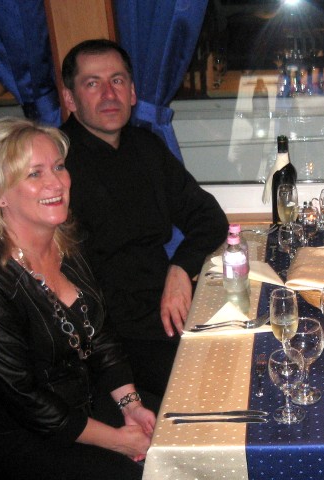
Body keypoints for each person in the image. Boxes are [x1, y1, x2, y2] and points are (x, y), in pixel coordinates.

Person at [0, 117, 156, 479]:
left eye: (59, 167)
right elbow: (25, 399)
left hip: (84, 405)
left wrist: (131, 406)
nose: (56, 182)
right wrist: (118, 441)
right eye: (35, 173)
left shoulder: (67, 245)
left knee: (176, 429)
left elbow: (101, 337)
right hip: (25, 439)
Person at [59, 39, 229, 403]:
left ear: (133, 92)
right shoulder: (56, 165)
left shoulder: (146, 147)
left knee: (250, 347)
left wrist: (180, 268)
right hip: (108, 337)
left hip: (164, 309)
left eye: (117, 81)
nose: (109, 94)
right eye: (93, 83)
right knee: (214, 389)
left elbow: (209, 217)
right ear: (70, 99)